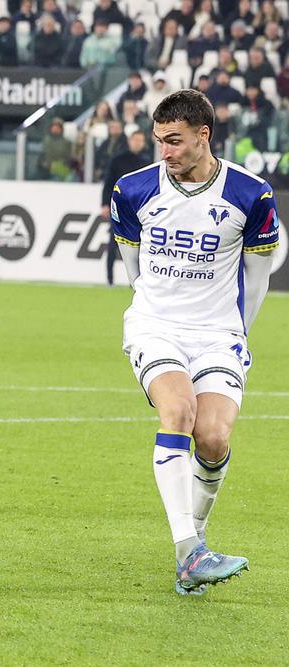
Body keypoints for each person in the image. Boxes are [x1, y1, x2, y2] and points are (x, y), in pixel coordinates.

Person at [110, 89, 279, 595]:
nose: (165, 151)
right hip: (155, 324)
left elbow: (260, 274)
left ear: (204, 135)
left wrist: (236, 336)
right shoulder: (132, 190)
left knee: (213, 438)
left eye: (175, 141)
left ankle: (196, 539)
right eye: (160, 140)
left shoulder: (251, 195)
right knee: (178, 412)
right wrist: (151, 311)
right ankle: (188, 549)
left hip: (218, 334)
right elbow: (133, 268)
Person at [99, 130, 149, 285]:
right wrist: (105, 204)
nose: (138, 143)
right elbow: (109, 183)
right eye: (136, 140)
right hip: (119, 208)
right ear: (129, 141)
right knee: (114, 244)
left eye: (141, 140)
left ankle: (135, 281)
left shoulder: (146, 163)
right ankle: (109, 279)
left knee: (140, 246)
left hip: (138, 209)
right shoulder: (117, 160)